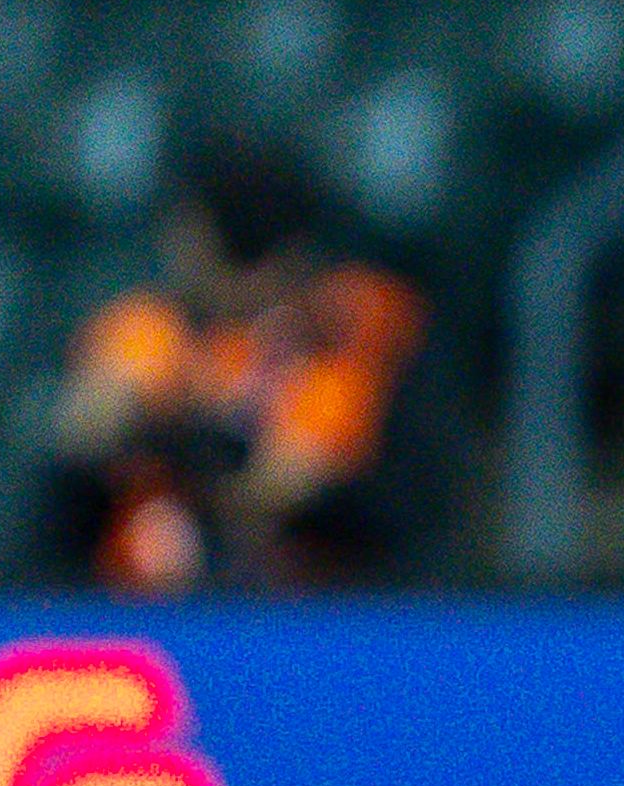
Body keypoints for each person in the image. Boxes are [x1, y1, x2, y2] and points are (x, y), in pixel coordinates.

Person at [48, 148, 428, 593]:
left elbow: (288, 482)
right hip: (137, 606)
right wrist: (160, 428)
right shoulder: (156, 327)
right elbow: (86, 427)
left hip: (305, 610)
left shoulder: (344, 330)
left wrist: (204, 452)